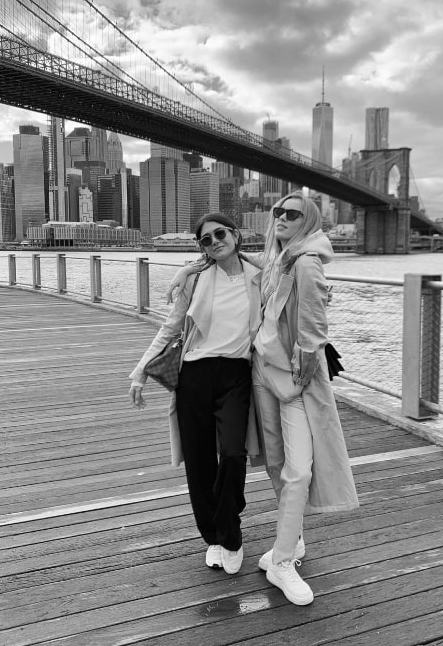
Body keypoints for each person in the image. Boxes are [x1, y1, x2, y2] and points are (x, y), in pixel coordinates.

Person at [129, 213, 262, 575]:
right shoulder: (198, 278)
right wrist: (140, 371)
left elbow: (291, 269)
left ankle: (229, 530)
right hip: (195, 376)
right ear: (201, 248)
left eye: (220, 234)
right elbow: (171, 326)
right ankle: (217, 538)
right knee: (200, 462)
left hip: (236, 374)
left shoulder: (259, 276)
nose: (215, 241)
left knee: (234, 453)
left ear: (235, 235)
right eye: (205, 240)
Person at [251, 191, 359, 606]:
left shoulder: (307, 262)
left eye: (291, 213)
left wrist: (303, 377)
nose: (281, 216)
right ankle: (292, 542)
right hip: (263, 370)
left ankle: (282, 562)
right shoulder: (277, 259)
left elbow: (314, 331)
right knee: (276, 463)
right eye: (277, 210)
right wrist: (190, 270)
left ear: (307, 221)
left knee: (298, 469)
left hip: (293, 379)